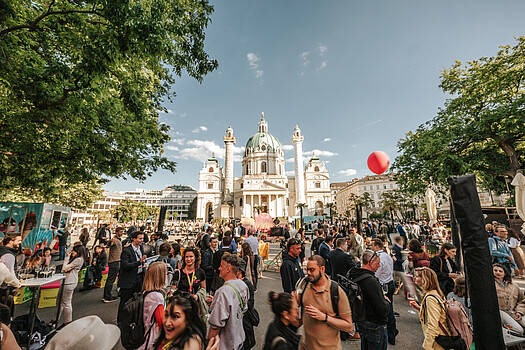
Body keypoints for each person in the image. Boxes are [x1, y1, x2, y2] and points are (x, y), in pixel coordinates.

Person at [297, 255, 353, 350]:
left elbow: (349, 327)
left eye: (312, 270)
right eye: (307, 269)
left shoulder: (336, 292)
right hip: (305, 346)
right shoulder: (304, 284)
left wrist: (324, 317)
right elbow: (300, 310)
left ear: (322, 269)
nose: (308, 273)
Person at [348, 249, 390, 350]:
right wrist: (387, 302)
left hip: (362, 321)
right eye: (378, 263)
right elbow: (382, 308)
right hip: (374, 323)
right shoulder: (370, 281)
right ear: (371, 263)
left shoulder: (355, 274)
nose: (379, 266)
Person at [208, 253, 249, 350]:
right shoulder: (243, 285)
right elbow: (241, 308)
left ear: (228, 269)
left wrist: (208, 344)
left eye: (221, 266)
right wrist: (216, 301)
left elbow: (215, 327)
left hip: (226, 345)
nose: (219, 268)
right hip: (239, 341)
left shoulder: (222, 292)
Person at [152, 293, 219, 350]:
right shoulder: (172, 335)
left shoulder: (192, 342)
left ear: (188, 320)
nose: (167, 323)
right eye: (166, 315)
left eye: (175, 316)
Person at [410, 267, 451, 350]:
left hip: (438, 341)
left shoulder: (430, 298)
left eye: (417, 276)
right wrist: (419, 308)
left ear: (425, 279)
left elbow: (433, 325)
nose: (415, 278)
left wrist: (427, 345)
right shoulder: (435, 293)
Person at [371, 238, 397, 345]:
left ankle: (389, 334)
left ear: (376, 246)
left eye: (372, 245)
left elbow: (376, 273)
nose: (370, 247)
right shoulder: (387, 255)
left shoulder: (380, 258)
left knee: (386, 311)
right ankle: (392, 333)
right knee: (389, 309)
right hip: (390, 283)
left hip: (384, 285)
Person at [117, 231, 147, 324]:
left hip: (138, 278)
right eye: (140, 238)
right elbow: (125, 265)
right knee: (125, 300)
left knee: (137, 299)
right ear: (134, 239)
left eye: (142, 238)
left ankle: (132, 318)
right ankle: (120, 320)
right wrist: (139, 262)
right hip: (128, 280)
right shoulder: (127, 251)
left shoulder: (140, 248)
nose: (142, 240)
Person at [54, 244, 85, 326]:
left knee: (66, 303)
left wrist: (66, 258)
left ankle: (67, 322)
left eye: (73, 251)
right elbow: (65, 268)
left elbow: (64, 268)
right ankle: (55, 319)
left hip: (69, 282)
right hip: (66, 281)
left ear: (78, 251)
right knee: (59, 301)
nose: (71, 252)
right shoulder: (77, 259)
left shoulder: (78, 259)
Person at [139, 262, 166, 350]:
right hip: (155, 339)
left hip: (146, 335)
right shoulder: (157, 298)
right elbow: (162, 322)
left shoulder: (147, 293)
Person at [493, 263, 525, 334]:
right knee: (519, 330)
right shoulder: (490, 285)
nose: (498, 272)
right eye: (495, 270)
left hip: (513, 312)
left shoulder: (514, 285)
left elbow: (522, 300)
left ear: (504, 273)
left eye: (500, 271)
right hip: (500, 312)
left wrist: (519, 312)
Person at [238, 259, 256, 350]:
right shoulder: (235, 282)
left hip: (245, 321)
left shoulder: (247, 284)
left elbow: (251, 304)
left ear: (239, 270)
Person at [103, 227, 124, 302]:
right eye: (121, 232)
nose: (122, 233)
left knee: (111, 279)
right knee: (111, 279)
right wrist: (109, 241)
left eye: (122, 232)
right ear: (117, 232)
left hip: (116, 261)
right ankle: (107, 296)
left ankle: (107, 295)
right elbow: (109, 244)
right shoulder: (114, 240)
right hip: (114, 261)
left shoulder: (118, 240)